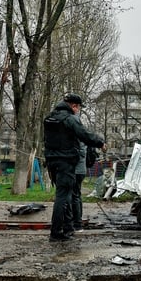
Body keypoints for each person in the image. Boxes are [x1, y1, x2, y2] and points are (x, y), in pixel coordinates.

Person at [44, 93, 106, 242]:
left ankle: (67, 228)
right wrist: (100, 142)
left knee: (62, 195)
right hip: (66, 161)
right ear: (74, 106)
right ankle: (57, 232)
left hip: (52, 160)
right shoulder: (70, 119)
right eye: (78, 108)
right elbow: (84, 135)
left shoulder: (49, 117)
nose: (78, 111)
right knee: (63, 197)